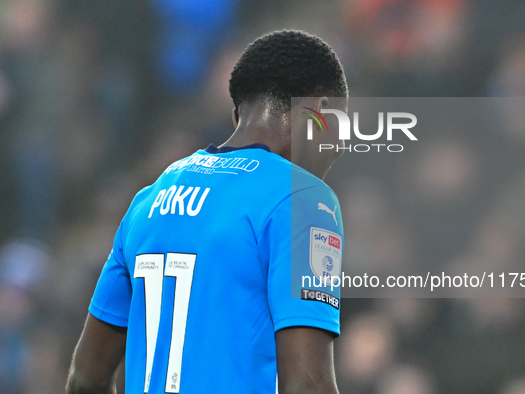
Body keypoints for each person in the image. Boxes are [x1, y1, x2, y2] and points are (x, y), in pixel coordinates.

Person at [66, 29, 348, 394]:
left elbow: (86, 379)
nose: (341, 146)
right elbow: (307, 384)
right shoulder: (304, 199)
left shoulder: (147, 202)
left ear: (237, 116)